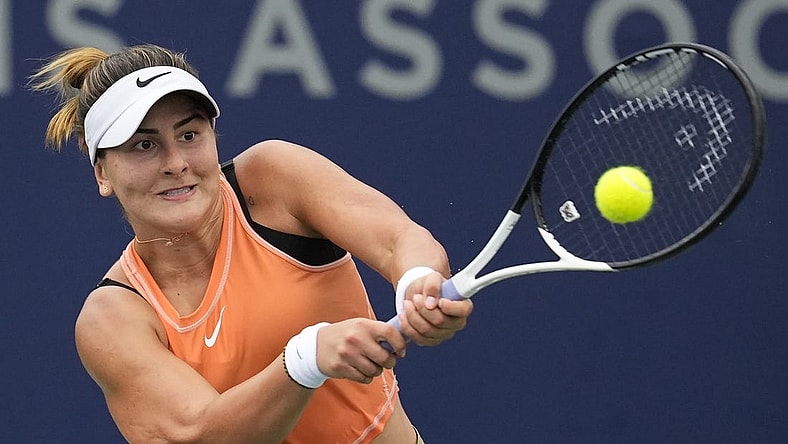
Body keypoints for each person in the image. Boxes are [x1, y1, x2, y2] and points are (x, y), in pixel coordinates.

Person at [31, 44, 473, 444]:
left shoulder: (271, 179)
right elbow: (199, 433)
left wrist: (418, 281)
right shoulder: (112, 319)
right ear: (102, 174)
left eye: (190, 135)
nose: (176, 163)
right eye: (145, 145)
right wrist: (305, 359)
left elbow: (400, 239)